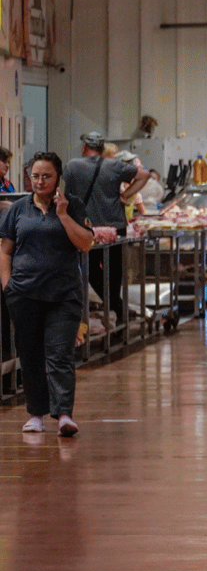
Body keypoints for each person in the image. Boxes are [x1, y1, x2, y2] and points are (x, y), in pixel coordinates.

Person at [0, 152, 94, 435]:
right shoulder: (18, 209)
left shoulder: (73, 206)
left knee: (59, 353)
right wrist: (8, 286)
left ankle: (64, 414)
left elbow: (85, 243)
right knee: (30, 355)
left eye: (46, 176)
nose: (40, 182)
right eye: (35, 176)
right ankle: (36, 414)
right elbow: (5, 251)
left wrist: (62, 214)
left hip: (63, 294)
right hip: (24, 294)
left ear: (58, 178)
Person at [62, 131, 149, 322]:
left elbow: (64, 192)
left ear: (84, 147)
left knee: (91, 270)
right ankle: (119, 309)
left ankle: (118, 308)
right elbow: (144, 175)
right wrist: (127, 195)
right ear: (102, 148)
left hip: (86, 227)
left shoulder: (72, 166)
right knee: (115, 271)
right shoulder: (114, 165)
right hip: (115, 225)